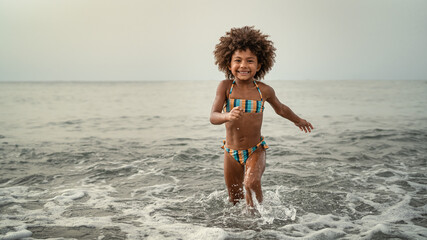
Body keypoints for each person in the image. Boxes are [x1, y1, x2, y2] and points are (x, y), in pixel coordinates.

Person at [210, 26, 313, 209]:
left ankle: (261, 220)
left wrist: (298, 120)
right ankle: (245, 231)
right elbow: (213, 116)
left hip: (255, 150)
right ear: (228, 64)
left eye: (250, 61)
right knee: (235, 200)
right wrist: (227, 115)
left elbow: (281, 109)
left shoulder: (263, 90)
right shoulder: (226, 87)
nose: (243, 65)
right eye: (238, 61)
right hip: (231, 152)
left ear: (259, 66)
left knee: (250, 183)